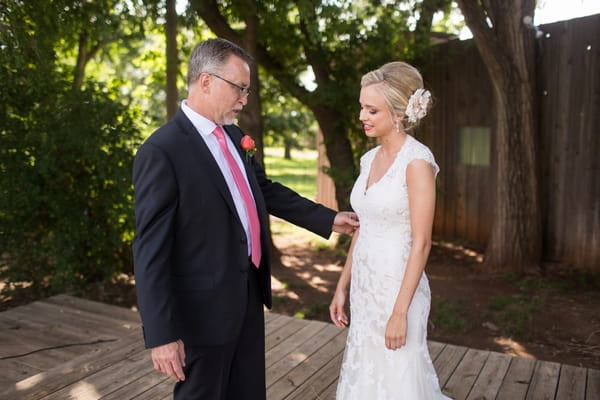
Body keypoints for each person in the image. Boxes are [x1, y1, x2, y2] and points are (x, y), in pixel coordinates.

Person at [132, 38, 358, 400]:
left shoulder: (235, 137)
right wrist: (161, 336)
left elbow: (263, 190)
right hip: (200, 315)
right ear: (205, 82)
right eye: (239, 88)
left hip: (247, 299)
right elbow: (149, 251)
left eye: (247, 90)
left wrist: (328, 219)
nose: (244, 99)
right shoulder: (162, 151)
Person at [329, 61, 451, 399]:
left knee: (399, 374)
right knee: (366, 365)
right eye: (361, 107)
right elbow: (362, 228)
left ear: (399, 114)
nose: (361, 117)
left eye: (371, 110)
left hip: (400, 287)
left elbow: (423, 243)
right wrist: (342, 286)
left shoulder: (417, 163)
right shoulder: (369, 160)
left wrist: (400, 314)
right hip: (366, 286)